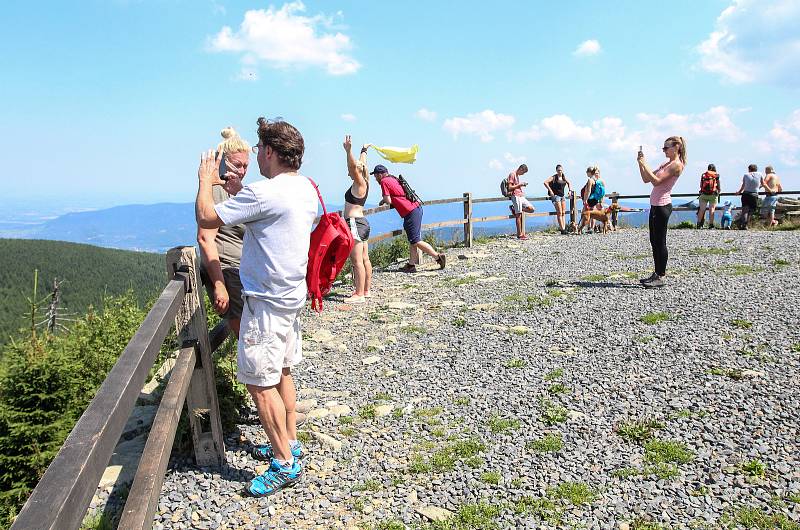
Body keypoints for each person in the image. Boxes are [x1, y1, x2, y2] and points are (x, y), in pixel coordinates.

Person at [196, 117, 317, 497]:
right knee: (282, 371)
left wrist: (205, 181)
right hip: (290, 298)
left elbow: (206, 218)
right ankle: (290, 441)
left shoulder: (266, 192)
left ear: (269, 151)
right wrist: (239, 191)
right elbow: (269, 219)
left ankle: (284, 463)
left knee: (257, 381)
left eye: (259, 151)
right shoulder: (305, 190)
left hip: (265, 304)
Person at [197, 127, 248, 338]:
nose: (242, 170)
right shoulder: (217, 188)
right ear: (223, 160)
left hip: (239, 271)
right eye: (237, 164)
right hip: (227, 271)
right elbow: (205, 238)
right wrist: (219, 284)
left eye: (246, 165)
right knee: (246, 337)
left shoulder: (233, 187)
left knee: (248, 338)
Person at [372, 164, 446, 272]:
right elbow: (397, 194)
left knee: (416, 240)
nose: (375, 179)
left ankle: (438, 257)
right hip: (415, 208)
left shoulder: (384, 182)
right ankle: (411, 265)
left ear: (380, 174)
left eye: (375, 176)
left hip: (410, 211)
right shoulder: (393, 178)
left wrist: (385, 200)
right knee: (413, 239)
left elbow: (388, 200)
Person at [637, 136, 686, 288]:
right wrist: (641, 164)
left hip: (662, 206)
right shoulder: (666, 163)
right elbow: (646, 179)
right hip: (655, 205)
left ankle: (660, 275)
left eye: (666, 147)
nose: (664, 150)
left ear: (676, 147)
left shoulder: (676, 165)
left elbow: (657, 181)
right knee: (654, 240)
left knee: (660, 241)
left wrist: (645, 164)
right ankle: (656, 273)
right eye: (663, 148)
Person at [342, 135, 373, 303]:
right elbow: (361, 164)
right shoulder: (365, 182)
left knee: (356, 261)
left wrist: (348, 151)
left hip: (354, 223)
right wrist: (364, 150)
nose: (348, 170)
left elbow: (354, 166)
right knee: (365, 259)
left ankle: (359, 293)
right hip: (362, 223)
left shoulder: (359, 183)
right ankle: (366, 290)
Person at [506, 164, 535, 239]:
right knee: (518, 215)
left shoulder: (517, 176)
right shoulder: (512, 174)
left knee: (531, 209)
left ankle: (514, 209)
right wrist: (520, 185)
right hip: (515, 195)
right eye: (523, 172)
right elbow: (509, 188)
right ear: (521, 169)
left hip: (520, 195)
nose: (523, 174)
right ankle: (519, 234)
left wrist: (521, 185)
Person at [544, 164, 572, 234]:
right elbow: (545, 182)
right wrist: (550, 191)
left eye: (561, 170)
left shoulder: (563, 177)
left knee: (563, 212)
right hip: (556, 196)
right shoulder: (554, 177)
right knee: (559, 212)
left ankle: (564, 228)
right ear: (556, 171)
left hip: (562, 196)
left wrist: (569, 190)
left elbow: (569, 183)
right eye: (559, 170)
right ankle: (562, 229)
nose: (560, 172)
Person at [736, 163, 763, 229]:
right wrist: (758, 188)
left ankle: (742, 224)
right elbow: (763, 183)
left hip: (745, 194)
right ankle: (745, 225)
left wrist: (739, 192)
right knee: (751, 210)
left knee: (745, 210)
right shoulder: (760, 174)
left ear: (749, 169)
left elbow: (743, 185)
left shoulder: (746, 175)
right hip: (754, 194)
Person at [696, 164, 720, 229]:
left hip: (703, 194)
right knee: (711, 210)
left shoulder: (703, 175)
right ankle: (711, 225)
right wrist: (718, 191)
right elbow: (718, 185)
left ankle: (698, 224)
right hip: (713, 194)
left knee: (702, 209)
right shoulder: (716, 175)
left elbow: (701, 185)